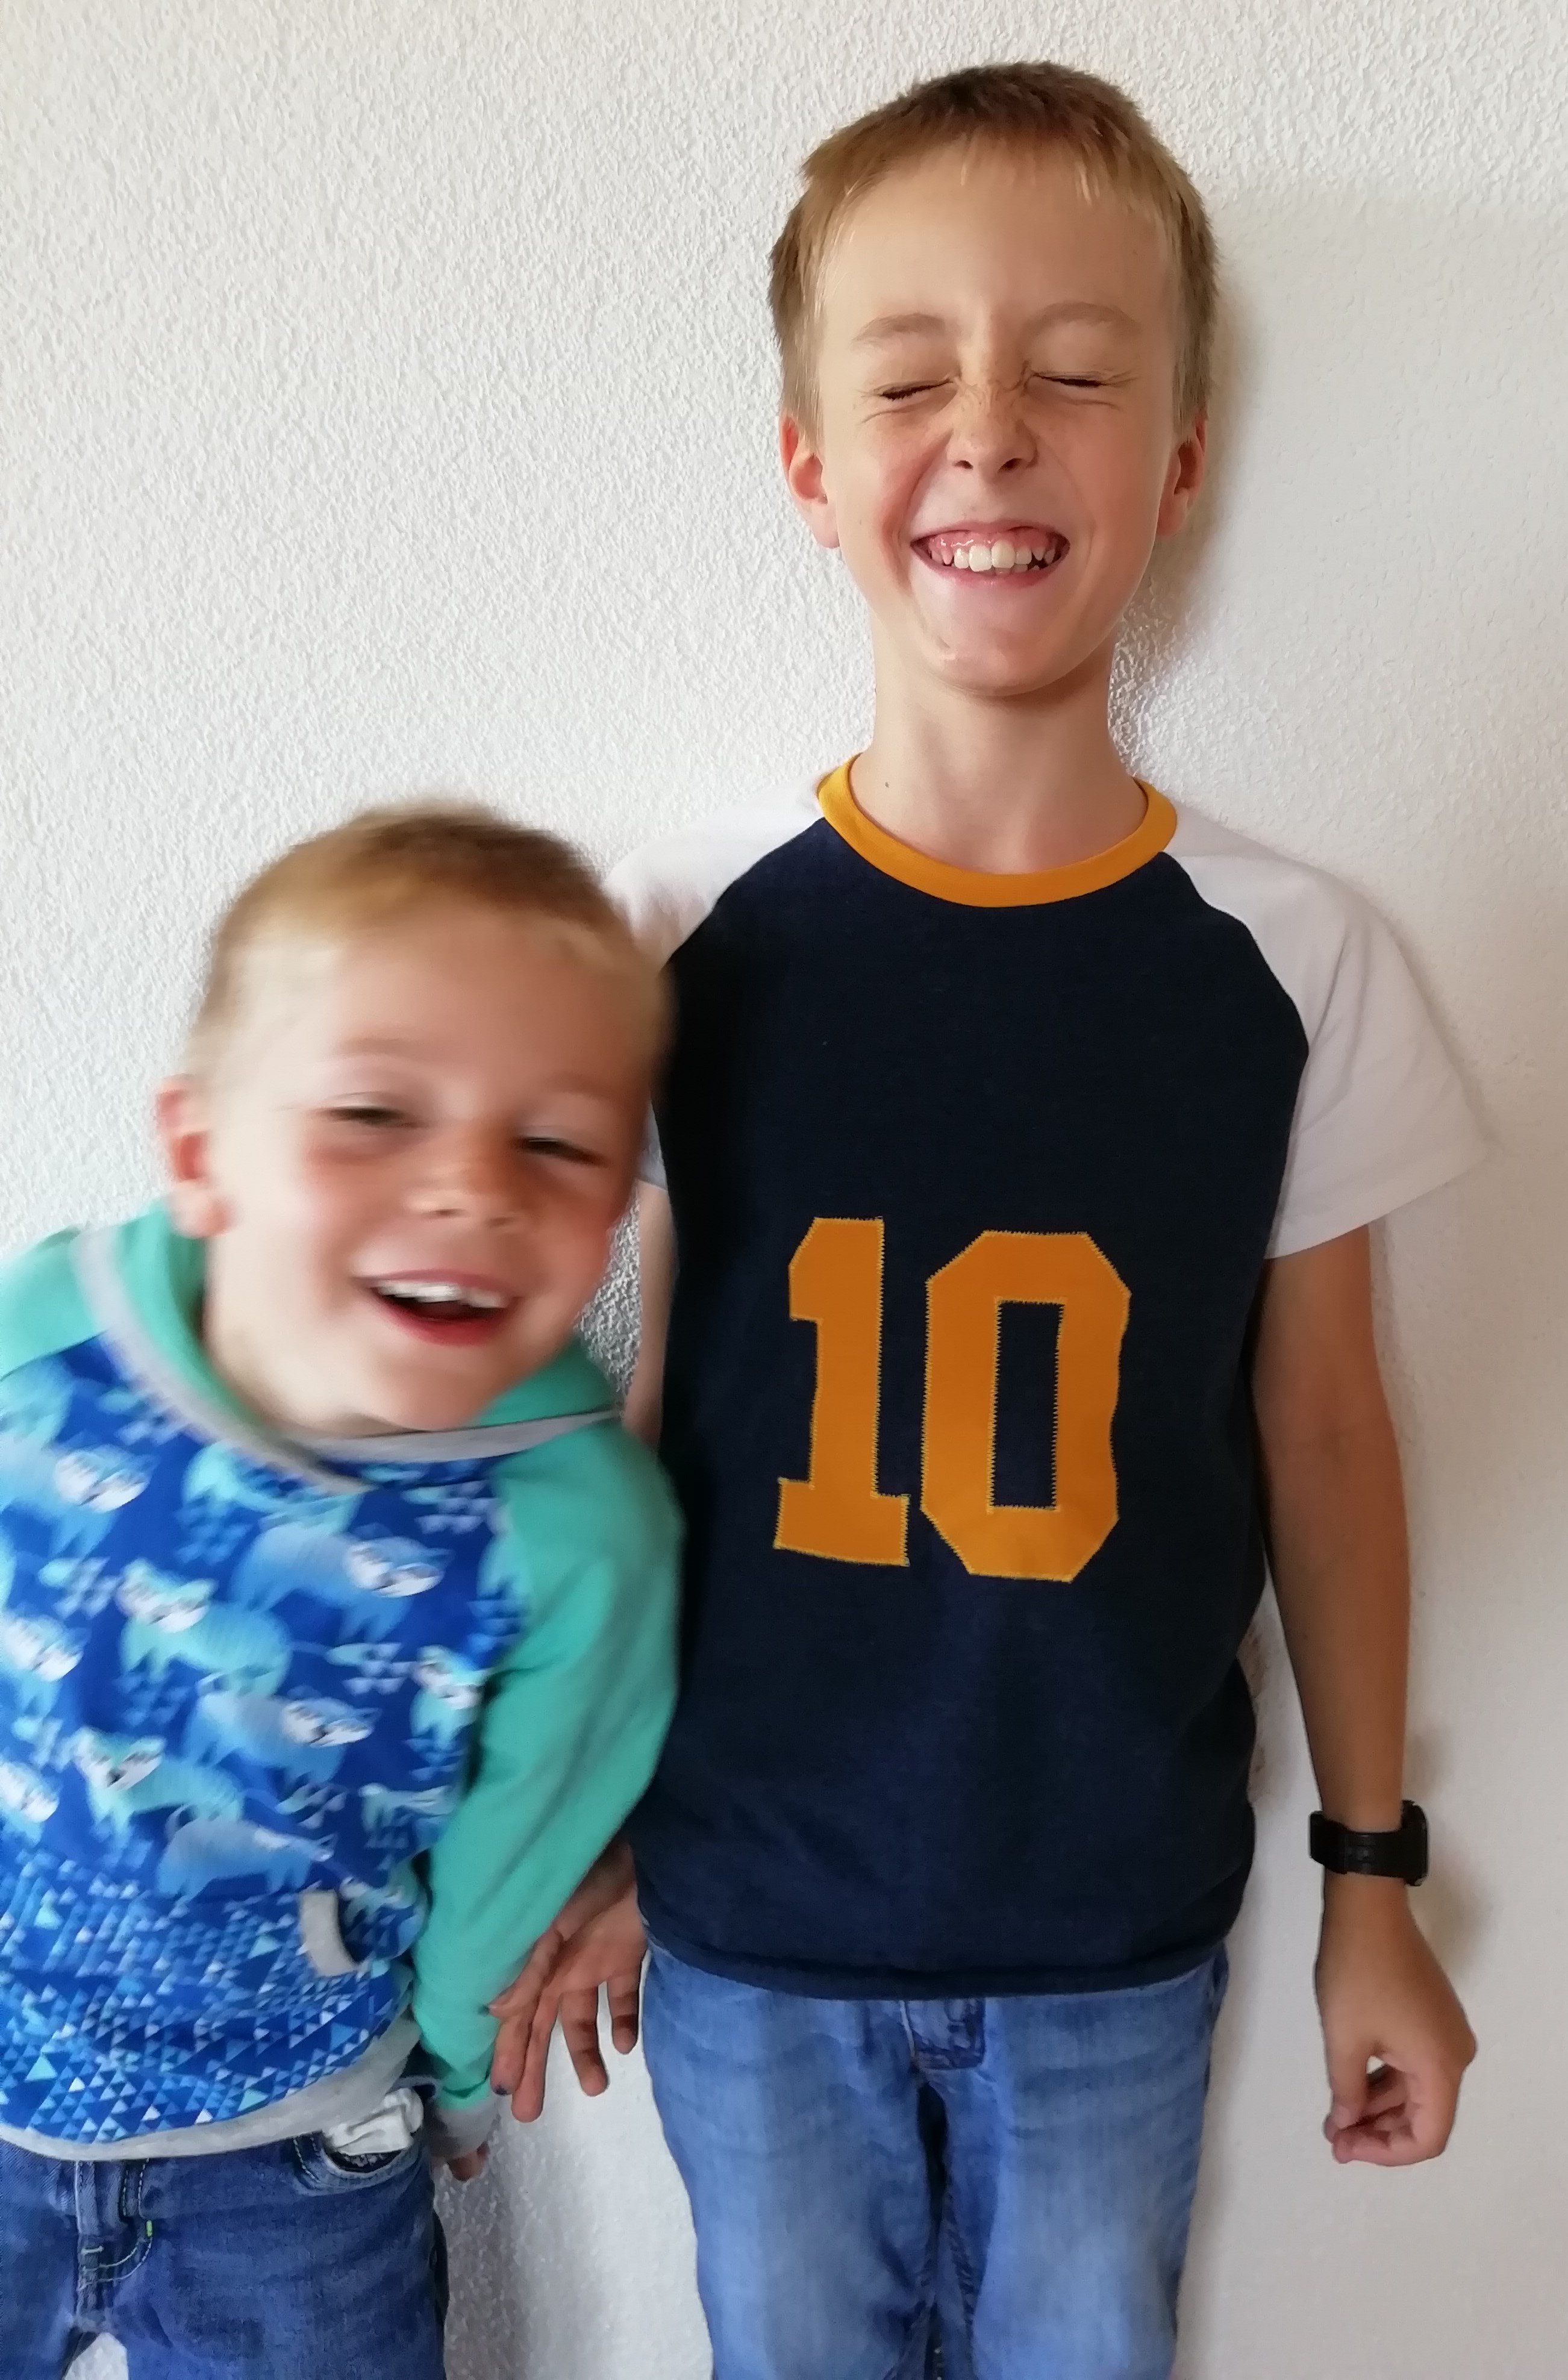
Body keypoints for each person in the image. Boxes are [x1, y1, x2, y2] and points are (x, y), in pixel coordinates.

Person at [491, 58, 1483, 2380]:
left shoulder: (1292, 958)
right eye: (910, 375)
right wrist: (580, 1816)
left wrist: (1370, 1881)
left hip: (1113, 1928)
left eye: (1074, 372)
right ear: (807, 465)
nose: (993, 433)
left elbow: (1324, 1435)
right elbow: (628, 1417)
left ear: (1181, 459)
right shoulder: (674, 934)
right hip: (747, 1914)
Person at [0, 805, 680, 2379]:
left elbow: (517, 1859)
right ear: (200, 1155)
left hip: (296, 2164)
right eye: (374, 1111)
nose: (471, 1187)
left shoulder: (580, 1536)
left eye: (557, 1143)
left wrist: (460, 2082)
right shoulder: (40, 1345)